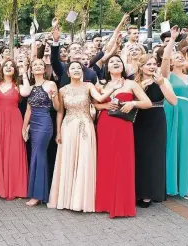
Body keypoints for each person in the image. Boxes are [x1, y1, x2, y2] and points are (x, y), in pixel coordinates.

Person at [94, 56, 152, 218]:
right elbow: (94, 104)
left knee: (122, 162)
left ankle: (122, 204)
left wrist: (133, 103)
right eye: (112, 62)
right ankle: (105, 203)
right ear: (107, 68)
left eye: (118, 61)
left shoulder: (131, 84)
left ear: (123, 66)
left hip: (123, 126)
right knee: (106, 162)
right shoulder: (102, 85)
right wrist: (104, 105)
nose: (115, 64)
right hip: (105, 126)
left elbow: (147, 103)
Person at [48, 62, 106, 212]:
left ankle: (82, 200)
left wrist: (111, 87)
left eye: (79, 68)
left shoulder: (88, 86)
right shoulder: (62, 90)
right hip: (68, 127)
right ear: (68, 73)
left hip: (86, 126)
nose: (76, 70)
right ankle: (67, 199)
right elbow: (60, 112)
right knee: (68, 160)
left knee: (84, 160)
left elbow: (99, 99)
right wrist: (58, 132)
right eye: (72, 68)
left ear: (83, 72)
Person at [133, 52, 177, 207]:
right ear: (141, 66)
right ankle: (137, 191)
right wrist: (140, 88)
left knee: (154, 156)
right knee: (139, 155)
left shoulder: (162, 80)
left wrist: (161, 84)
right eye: (148, 64)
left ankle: (149, 194)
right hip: (138, 120)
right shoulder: (134, 80)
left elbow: (173, 101)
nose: (152, 67)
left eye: (154, 64)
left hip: (156, 119)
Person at [164, 46, 188, 198]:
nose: (180, 58)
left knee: (187, 146)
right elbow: (165, 58)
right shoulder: (168, 75)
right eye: (176, 57)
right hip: (173, 110)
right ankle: (171, 184)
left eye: (181, 56)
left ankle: (186, 184)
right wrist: (172, 40)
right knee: (173, 145)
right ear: (171, 62)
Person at [21, 58, 58, 206]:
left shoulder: (50, 84)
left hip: (44, 123)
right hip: (33, 123)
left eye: (40, 65)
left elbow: (57, 108)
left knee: (39, 155)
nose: (37, 67)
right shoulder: (30, 87)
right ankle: (36, 193)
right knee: (35, 155)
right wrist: (24, 128)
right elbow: (28, 110)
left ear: (44, 69)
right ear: (31, 69)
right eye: (34, 65)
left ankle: (38, 195)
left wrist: (54, 98)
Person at [0, 58, 28, 201]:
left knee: (13, 151)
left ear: (14, 70)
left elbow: (27, 92)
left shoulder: (18, 86)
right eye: (6, 65)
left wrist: (23, 73)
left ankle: (15, 187)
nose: (8, 67)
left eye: (11, 66)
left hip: (14, 120)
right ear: (1, 68)